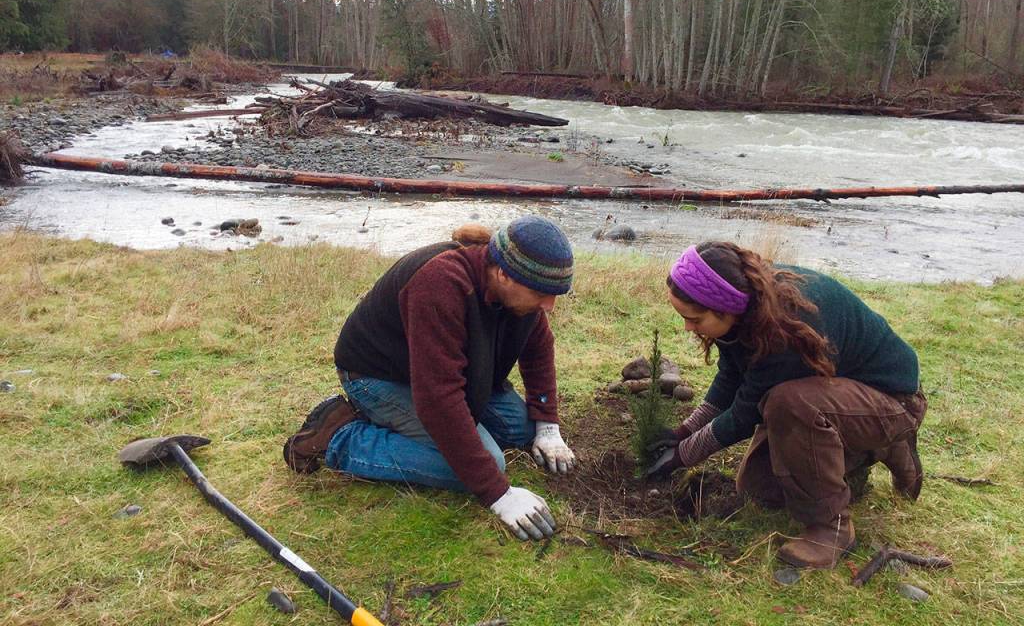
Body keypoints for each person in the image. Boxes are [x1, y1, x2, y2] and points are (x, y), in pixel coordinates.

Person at [283, 216, 577, 542]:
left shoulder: (518, 289)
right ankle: (340, 439)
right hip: (379, 376)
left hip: (450, 372)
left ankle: (392, 426)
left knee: (523, 429)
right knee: (489, 462)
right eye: (542, 294)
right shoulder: (440, 283)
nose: (549, 306)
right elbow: (439, 400)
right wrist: (499, 494)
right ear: (504, 275)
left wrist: (547, 425)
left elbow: (538, 351)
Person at [646, 241, 926, 568]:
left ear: (724, 306)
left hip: (892, 400)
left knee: (788, 404)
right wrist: (684, 431)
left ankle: (832, 528)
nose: (687, 327)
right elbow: (732, 376)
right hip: (838, 397)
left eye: (694, 318)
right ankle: (874, 450)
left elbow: (746, 410)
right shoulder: (745, 305)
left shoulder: (783, 325)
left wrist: (684, 454)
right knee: (762, 488)